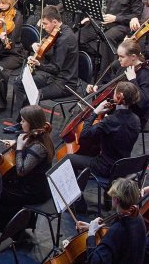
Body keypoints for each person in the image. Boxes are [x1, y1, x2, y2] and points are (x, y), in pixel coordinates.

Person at [67, 82, 141, 213]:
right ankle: (107, 199)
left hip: (105, 167)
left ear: (118, 96)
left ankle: (77, 201)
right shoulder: (136, 119)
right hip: (123, 166)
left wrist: (95, 112)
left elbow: (85, 135)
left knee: (69, 159)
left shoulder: (110, 121)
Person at [7, 6, 78, 133]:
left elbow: (56, 68)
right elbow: (53, 56)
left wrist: (38, 64)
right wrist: (38, 47)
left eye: (45, 23)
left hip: (64, 82)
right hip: (52, 76)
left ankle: (28, 125)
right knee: (18, 82)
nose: (43, 27)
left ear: (55, 22)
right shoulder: (58, 31)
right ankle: (22, 120)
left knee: (33, 95)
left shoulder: (65, 39)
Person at [79, 0, 142, 72]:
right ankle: (97, 59)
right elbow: (97, 6)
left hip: (120, 25)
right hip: (101, 21)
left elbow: (136, 15)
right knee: (79, 37)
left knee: (107, 38)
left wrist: (116, 18)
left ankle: (105, 74)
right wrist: (91, 17)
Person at [0, 105, 53, 232]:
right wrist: (16, 144)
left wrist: (18, 148)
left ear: (32, 123)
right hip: (35, 184)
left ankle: (8, 229)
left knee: (0, 189)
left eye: (23, 121)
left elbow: (21, 171)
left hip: (33, 191)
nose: (20, 123)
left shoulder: (38, 147)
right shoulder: (41, 136)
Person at [78, 177, 145, 264]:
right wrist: (92, 227)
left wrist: (91, 235)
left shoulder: (117, 230)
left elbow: (94, 261)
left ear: (116, 199)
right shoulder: (137, 217)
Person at [86, 39, 149, 128]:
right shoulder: (124, 67)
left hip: (134, 118)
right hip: (118, 109)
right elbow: (114, 87)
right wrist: (97, 88)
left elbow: (143, 103)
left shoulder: (145, 74)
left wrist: (133, 80)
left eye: (121, 57)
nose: (119, 60)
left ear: (133, 57)